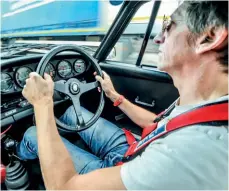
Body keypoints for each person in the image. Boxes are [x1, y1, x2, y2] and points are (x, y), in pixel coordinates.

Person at [17, 1, 228, 190]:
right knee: (72, 111)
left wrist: (43, 103)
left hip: (130, 168)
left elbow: (63, 187)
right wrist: (115, 96)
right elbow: (160, 123)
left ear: (208, 37)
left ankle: (16, 164)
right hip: (134, 149)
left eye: (168, 26)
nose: (157, 38)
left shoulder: (191, 152)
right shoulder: (207, 104)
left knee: (33, 133)